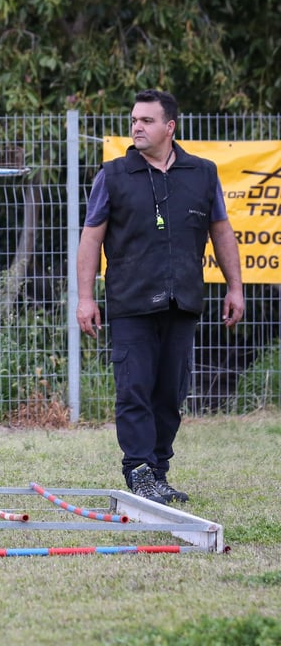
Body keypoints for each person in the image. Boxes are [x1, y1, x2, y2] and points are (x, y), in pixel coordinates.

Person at [76, 89, 244, 505]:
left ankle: (158, 472)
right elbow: (91, 237)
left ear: (170, 127)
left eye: (147, 120)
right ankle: (138, 471)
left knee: (170, 393)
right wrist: (85, 297)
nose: (137, 127)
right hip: (130, 303)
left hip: (183, 302)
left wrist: (235, 287)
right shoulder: (112, 175)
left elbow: (221, 231)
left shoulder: (202, 173)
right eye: (134, 120)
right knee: (134, 389)